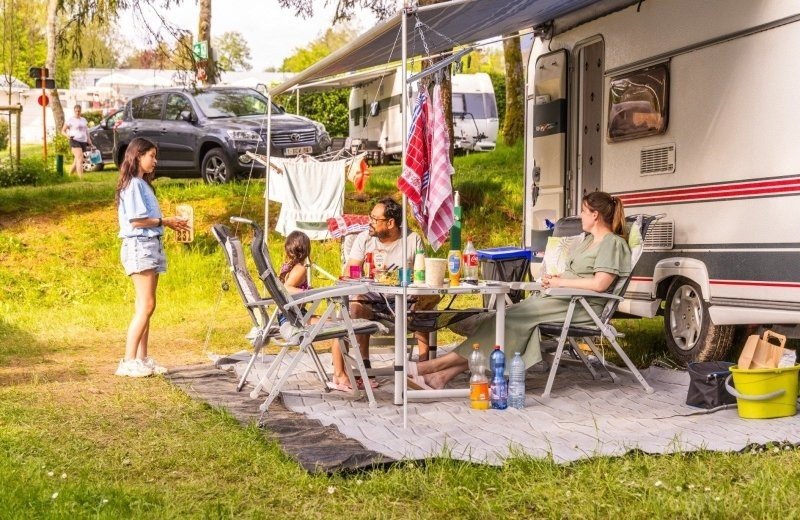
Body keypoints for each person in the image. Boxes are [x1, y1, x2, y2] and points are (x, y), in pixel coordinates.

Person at [410, 191, 632, 389]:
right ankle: (441, 377)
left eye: (584, 211)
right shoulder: (589, 241)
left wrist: (560, 283)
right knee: (502, 320)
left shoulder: (612, 243)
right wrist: (556, 278)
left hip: (581, 308)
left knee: (507, 321)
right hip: (560, 300)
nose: (581, 215)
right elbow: (578, 273)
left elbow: (600, 284)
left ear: (595, 215)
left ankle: (432, 366)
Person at [329, 197, 437, 391]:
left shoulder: (412, 240)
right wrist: (365, 273)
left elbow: (424, 275)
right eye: (370, 217)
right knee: (356, 303)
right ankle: (364, 366)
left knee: (425, 301)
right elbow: (349, 272)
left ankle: (423, 367)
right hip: (374, 300)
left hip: (405, 302)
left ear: (390, 223)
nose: (369, 222)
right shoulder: (365, 239)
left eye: (374, 219)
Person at [115, 138, 191, 377]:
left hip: (151, 245)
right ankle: (128, 361)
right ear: (138, 156)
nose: (155, 161)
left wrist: (169, 223)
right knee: (146, 305)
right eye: (151, 156)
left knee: (146, 305)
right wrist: (165, 221)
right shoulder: (134, 185)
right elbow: (137, 221)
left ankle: (142, 358)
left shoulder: (142, 184)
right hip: (140, 246)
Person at [62, 105, 93, 179]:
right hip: (74, 140)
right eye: (76, 111)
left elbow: (86, 131)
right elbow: (62, 131)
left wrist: (89, 140)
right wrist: (67, 136)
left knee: (76, 160)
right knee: (80, 158)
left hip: (83, 141)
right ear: (74, 111)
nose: (77, 112)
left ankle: (69, 176)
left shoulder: (84, 120)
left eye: (79, 111)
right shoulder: (70, 120)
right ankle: (81, 178)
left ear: (81, 111)